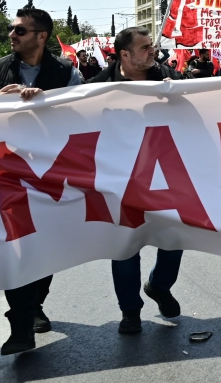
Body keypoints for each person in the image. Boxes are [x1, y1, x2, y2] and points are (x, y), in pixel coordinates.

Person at [0, 8, 81, 355]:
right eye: (11, 28)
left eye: (20, 30)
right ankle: (20, 324)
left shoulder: (66, 72)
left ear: (41, 36)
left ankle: (35, 303)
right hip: (5, 175)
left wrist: (46, 104)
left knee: (45, 246)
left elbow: (82, 118)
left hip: (50, 175)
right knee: (15, 247)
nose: (12, 34)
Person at [88, 28, 185, 334]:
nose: (152, 51)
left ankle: (159, 286)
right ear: (124, 55)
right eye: (144, 48)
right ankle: (130, 311)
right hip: (120, 178)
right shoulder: (97, 87)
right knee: (125, 246)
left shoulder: (168, 77)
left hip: (164, 175)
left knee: (174, 239)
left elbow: (202, 104)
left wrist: (178, 93)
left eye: (151, 45)